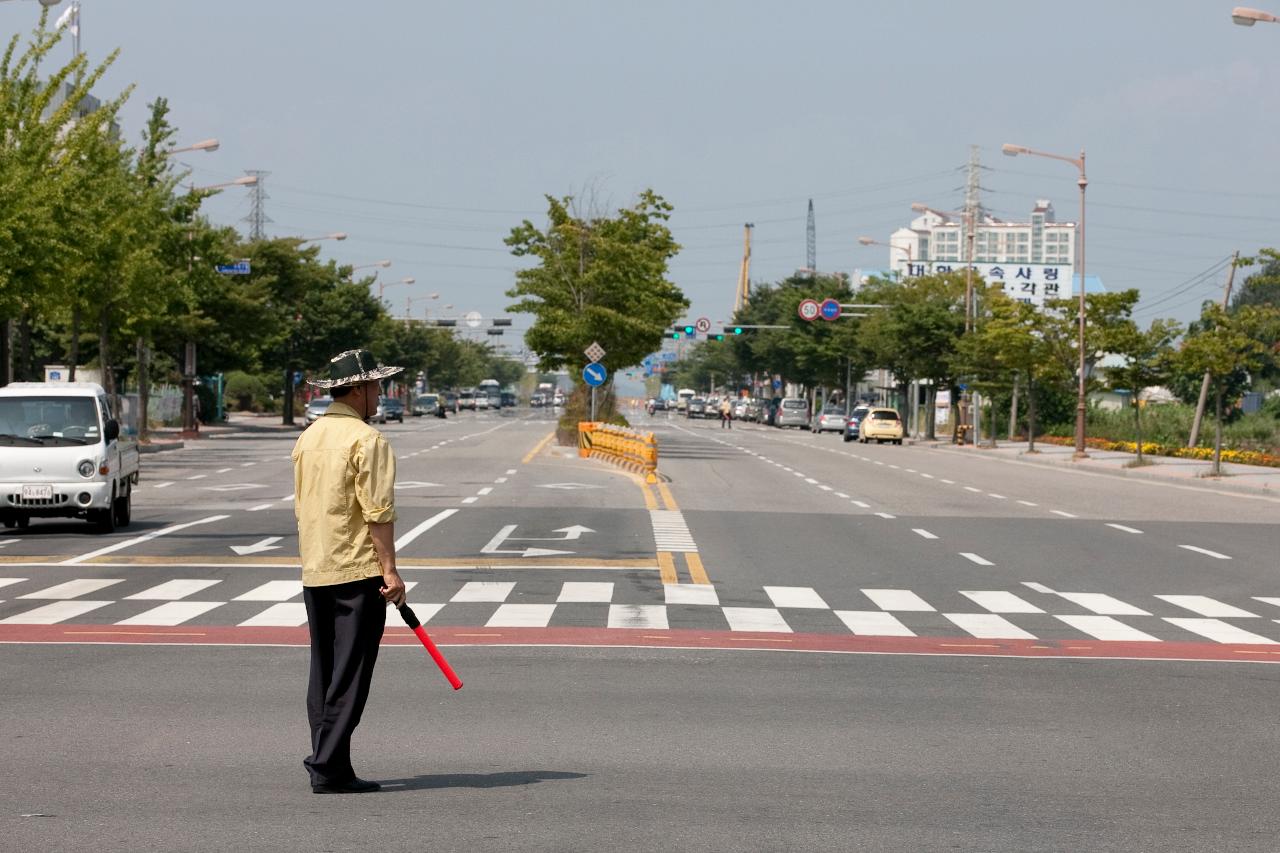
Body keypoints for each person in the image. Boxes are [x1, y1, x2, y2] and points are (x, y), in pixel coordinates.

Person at [292, 348, 407, 795]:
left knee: (324, 672)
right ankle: (326, 764)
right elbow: (378, 511)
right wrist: (391, 572)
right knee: (351, 674)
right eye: (377, 385)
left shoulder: (309, 437)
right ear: (357, 389)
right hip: (357, 570)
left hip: (317, 567)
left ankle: (331, 763)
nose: (381, 393)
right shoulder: (367, 440)